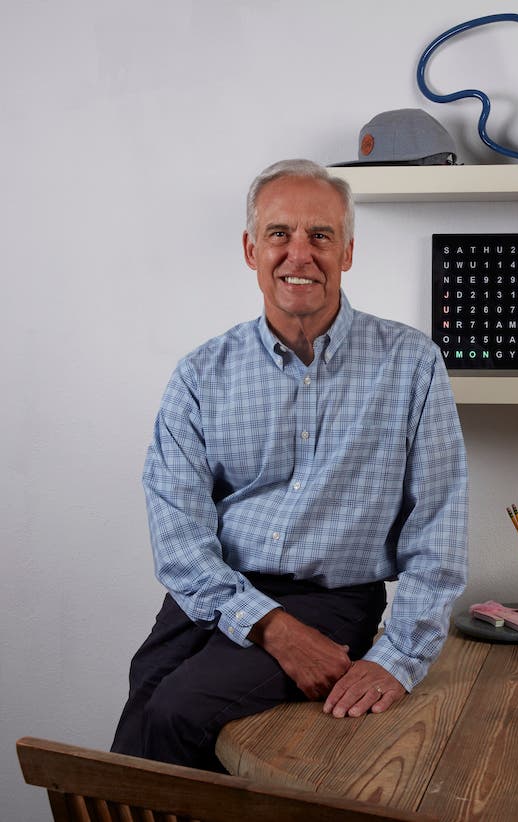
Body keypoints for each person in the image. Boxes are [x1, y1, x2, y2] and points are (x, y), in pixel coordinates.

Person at [111, 159, 468, 771]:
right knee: (145, 693)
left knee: (178, 710)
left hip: (332, 598)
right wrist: (272, 626)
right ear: (251, 250)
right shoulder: (201, 374)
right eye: (279, 234)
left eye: (320, 236)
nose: (298, 254)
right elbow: (177, 533)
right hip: (214, 588)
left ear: (347, 252)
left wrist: (399, 657)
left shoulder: (412, 365)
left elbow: (439, 527)